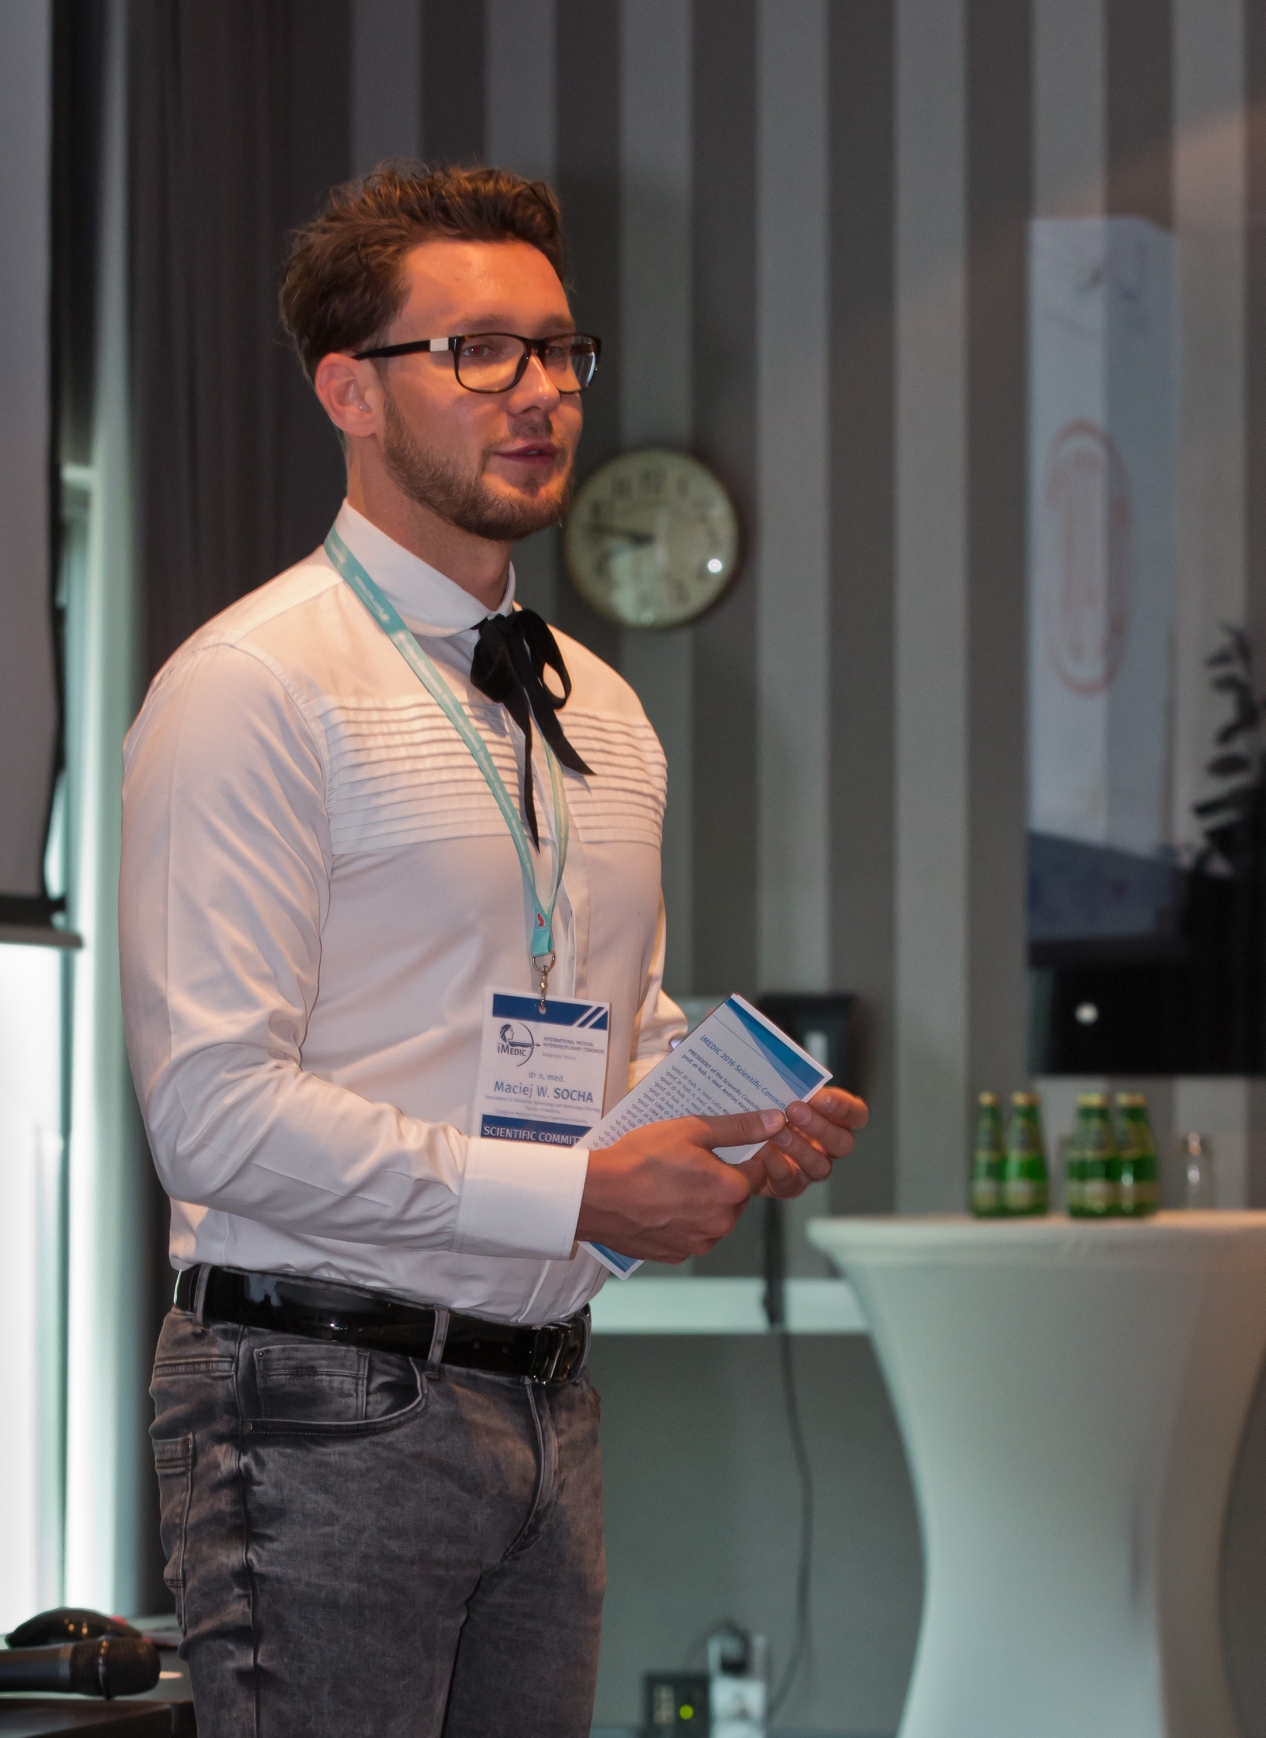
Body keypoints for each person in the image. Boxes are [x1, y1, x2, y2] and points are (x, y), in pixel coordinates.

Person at [119, 165, 867, 1738]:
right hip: (311, 1398)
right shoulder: (253, 685)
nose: (539, 393)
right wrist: (578, 1193)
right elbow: (211, 1112)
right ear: (350, 392)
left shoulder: (598, 704)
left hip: (545, 1391)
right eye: (477, 353)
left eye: (558, 350)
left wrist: (730, 1115)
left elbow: (608, 1022)